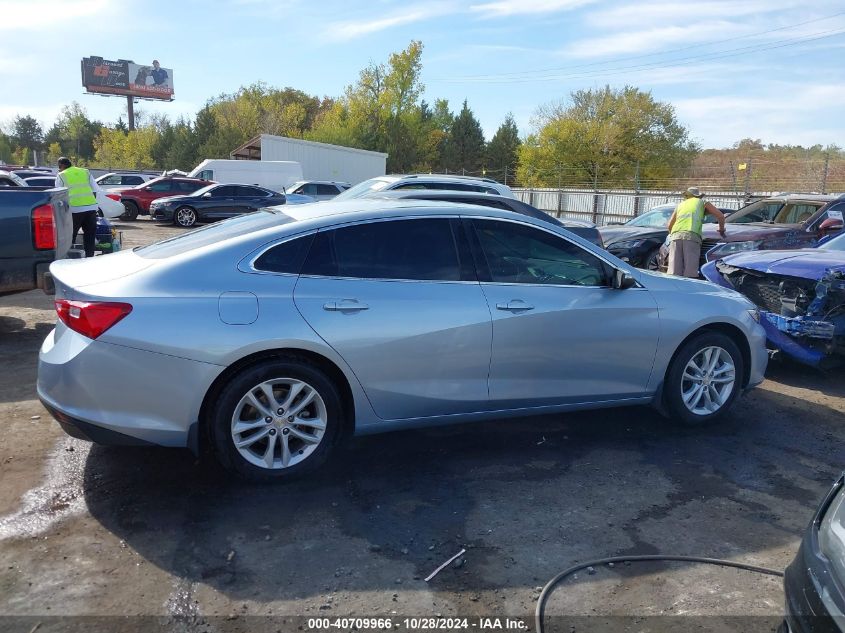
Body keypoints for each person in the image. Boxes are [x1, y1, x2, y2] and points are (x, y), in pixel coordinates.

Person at [666, 187, 726, 278]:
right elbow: (721, 216)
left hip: (675, 236)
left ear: (686, 196)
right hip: (691, 236)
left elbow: (669, 225)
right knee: (690, 269)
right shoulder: (702, 202)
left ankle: (673, 289)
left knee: (674, 270)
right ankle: (689, 290)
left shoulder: (680, 205)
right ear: (698, 196)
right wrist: (721, 229)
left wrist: (673, 235)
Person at [55, 157, 101, 257]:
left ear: (61, 166)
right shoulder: (85, 172)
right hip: (91, 208)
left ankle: (70, 258)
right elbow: (95, 189)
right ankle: (89, 258)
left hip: (74, 210)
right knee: (90, 235)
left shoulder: (61, 175)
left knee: (71, 236)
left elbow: (58, 194)